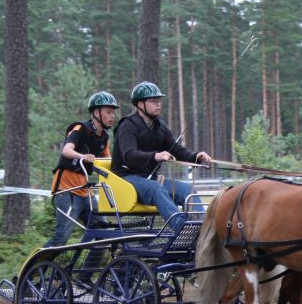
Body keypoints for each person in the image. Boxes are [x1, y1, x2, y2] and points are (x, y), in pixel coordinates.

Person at [111, 81, 212, 222]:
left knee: (187, 190)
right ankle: (181, 228)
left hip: (150, 179)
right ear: (140, 104)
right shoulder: (128, 125)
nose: (158, 104)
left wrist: (196, 157)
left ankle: (203, 229)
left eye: (159, 101)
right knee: (156, 189)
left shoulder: (160, 126)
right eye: (153, 101)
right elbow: (129, 155)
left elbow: (176, 150)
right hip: (126, 179)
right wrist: (155, 156)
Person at [44, 91, 118, 248]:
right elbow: (66, 151)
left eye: (113, 112)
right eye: (108, 112)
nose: (112, 116)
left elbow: (109, 163)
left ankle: (85, 273)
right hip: (67, 191)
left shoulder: (104, 137)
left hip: (86, 193)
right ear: (96, 112)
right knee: (61, 237)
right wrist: (83, 156)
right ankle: (31, 270)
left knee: (103, 237)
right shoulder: (80, 128)